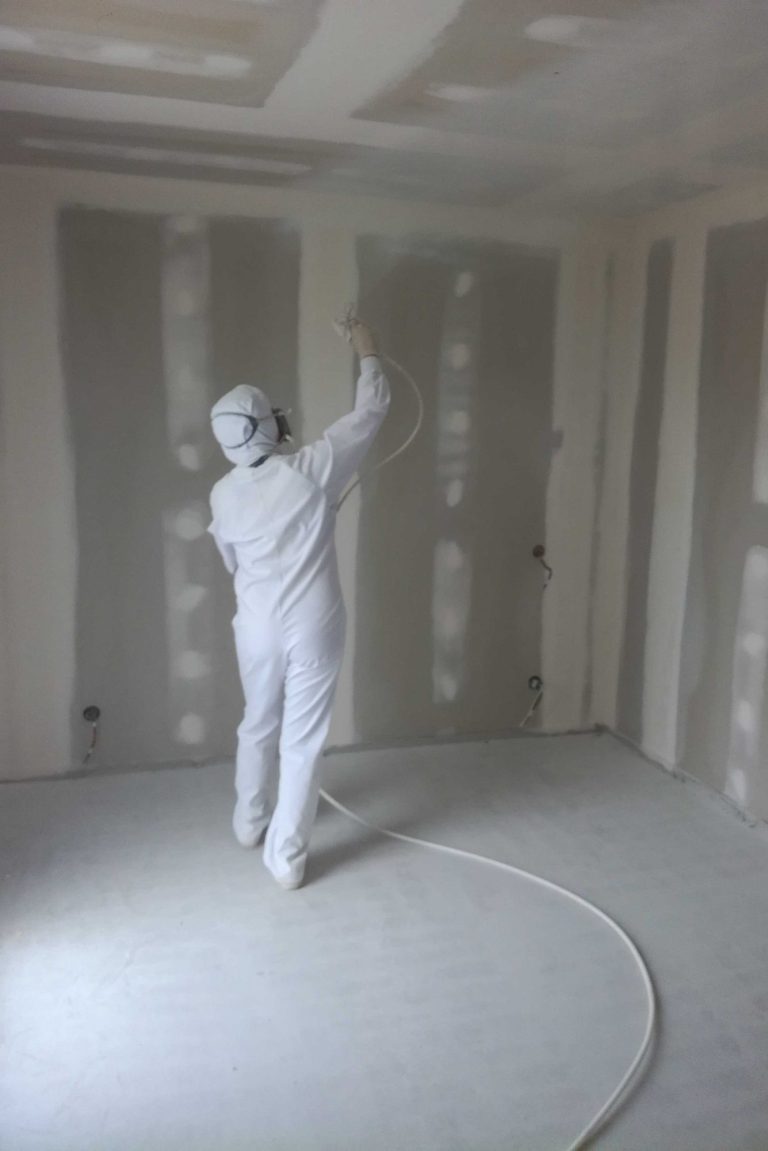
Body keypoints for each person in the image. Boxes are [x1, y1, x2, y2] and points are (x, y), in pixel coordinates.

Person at [207, 321, 389, 890]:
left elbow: (232, 562)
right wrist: (367, 350)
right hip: (314, 620)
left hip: (255, 625)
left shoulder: (221, 494)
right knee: (302, 738)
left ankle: (249, 821)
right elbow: (370, 412)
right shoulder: (312, 469)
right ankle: (286, 860)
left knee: (257, 721)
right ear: (269, 425)